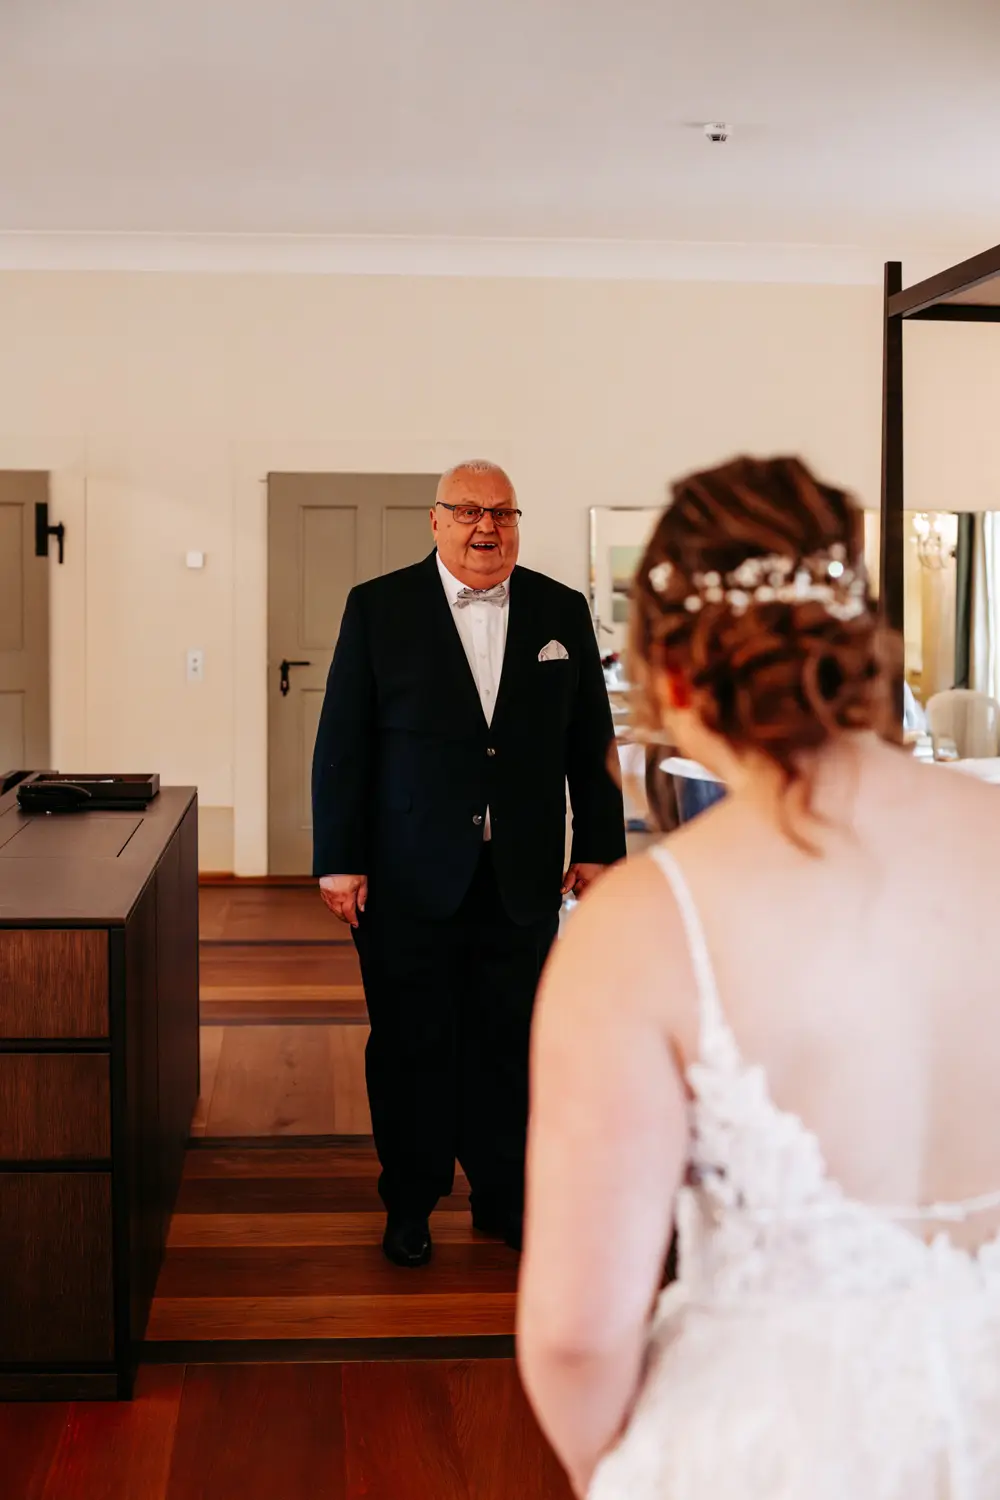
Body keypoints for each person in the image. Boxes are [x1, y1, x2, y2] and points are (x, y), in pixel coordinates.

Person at [518, 454, 1000, 1498]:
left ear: (675, 680)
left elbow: (571, 1332)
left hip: (773, 1446)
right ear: (866, 647)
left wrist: (638, 1469)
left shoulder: (645, 926)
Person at [312, 460, 625, 1267]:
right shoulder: (378, 608)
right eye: (468, 512)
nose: (487, 528)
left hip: (521, 877)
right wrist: (339, 860)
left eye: (503, 513)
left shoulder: (562, 610)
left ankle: (504, 1197)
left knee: (512, 1044)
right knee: (412, 1045)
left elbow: (592, 744)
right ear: (435, 520)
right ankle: (410, 1205)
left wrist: (597, 847)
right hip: (408, 877)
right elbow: (342, 746)